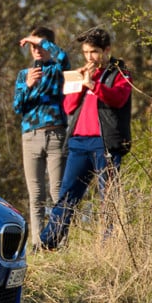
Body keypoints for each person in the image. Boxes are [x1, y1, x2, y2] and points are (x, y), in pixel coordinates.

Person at [39, 27, 132, 250]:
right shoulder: (79, 74)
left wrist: (94, 84)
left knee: (107, 197)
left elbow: (118, 99)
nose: (90, 57)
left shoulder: (120, 72)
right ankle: (48, 243)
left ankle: (108, 248)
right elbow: (69, 106)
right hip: (79, 143)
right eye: (86, 52)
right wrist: (81, 83)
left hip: (106, 144)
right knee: (67, 195)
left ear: (107, 50)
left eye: (95, 52)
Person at [13, 26, 71, 250]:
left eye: (40, 45)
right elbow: (18, 106)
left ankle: (59, 241)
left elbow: (63, 56)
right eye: (32, 47)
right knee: (36, 194)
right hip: (30, 137)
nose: (36, 50)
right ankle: (38, 242)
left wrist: (36, 39)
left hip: (55, 134)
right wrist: (28, 86)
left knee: (58, 191)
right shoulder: (23, 74)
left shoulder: (58, 70)